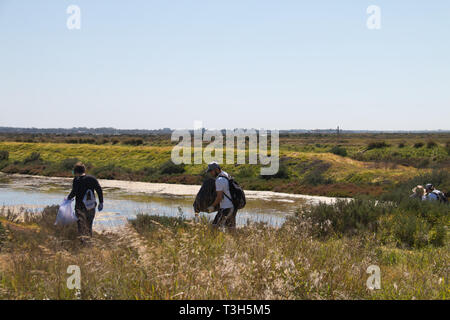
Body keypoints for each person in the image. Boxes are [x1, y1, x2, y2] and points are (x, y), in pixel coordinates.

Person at [67, 162, 104, 240]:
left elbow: (74, 192)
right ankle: (89, 242)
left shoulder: (76, 180)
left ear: (75, 172)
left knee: (81, 226)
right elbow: (99, 190)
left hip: (80, 207)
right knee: (89, 225)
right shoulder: (92, 178)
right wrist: (101, 202)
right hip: (91, 206)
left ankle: (83, 244)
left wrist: (68, 199)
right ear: (84, 170)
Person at [205, 161, 237, 230]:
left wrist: (212, 206)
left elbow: (219, 197)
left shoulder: (219, 180)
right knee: (231, 229)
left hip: (226, 208)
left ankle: (214, 240)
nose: (210, 173)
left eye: (211, 171)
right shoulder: (225, 174)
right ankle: (236, 240)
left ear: (216, 169)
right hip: (233, 207)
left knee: (214, 228)